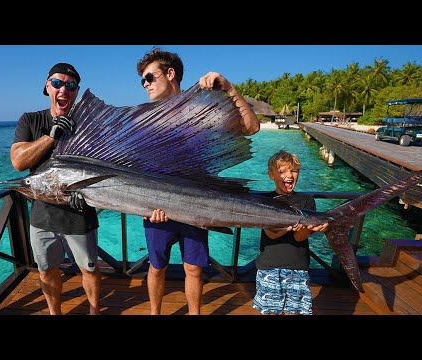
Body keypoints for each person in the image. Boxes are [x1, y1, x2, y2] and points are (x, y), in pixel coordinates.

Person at [136, 47, 261, 315]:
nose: (145, 85)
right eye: (143, 81)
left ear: (170, 74)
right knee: (157, 267)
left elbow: (251, 127)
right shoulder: (144, 120)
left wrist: (228, 88)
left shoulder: (201, 112)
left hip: (197, 205)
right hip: (154, 207)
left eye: (149, 78)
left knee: (193, 268)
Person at [10, 63, 101, 315]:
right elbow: (18, 162)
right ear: (47, 86)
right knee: (46, 269)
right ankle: (55, 313)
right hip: (43, 215)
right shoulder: (30, 119)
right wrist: (51, 136)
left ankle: (94, 310)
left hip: (79, 212)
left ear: (76, 91)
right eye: (58, 83)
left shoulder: (87, 126)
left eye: (71, 85)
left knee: (90, 268)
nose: (64, 89)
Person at [253, 150, 328, 315]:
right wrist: (292, 223)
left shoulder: (306, 201)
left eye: (294, 171)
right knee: (270, 311)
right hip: (269, 266)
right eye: (282, 171)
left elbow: (299, 237)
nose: (289, 175)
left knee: (294, 312)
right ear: (271, 175)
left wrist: (307, 227)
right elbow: (270, 233)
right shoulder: (264, 201)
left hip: (298, 267)